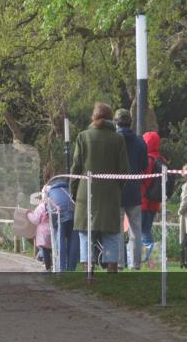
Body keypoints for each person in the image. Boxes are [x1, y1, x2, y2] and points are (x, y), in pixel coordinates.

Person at [70, 103, 130, 272]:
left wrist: (73, 192)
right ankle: (112, 273)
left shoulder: (82, 137)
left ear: (93, 117)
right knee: (111, 235)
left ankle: (89, 275)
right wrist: (116, 188)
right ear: (111, 118)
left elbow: (76, 168)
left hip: (85, 193)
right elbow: (124, 171)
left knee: (85, 236)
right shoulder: (118, 139)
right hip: (111, 195)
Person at [112, 110, 147, 270]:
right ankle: (136, 264)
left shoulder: (112, 140)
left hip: (116, 189)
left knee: (117, 229)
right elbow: (144, 166)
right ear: (130, 122)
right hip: (134, 189)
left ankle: (119, 262)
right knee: (136, 229)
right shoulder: (140, 141)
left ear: (116, 122)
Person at [140, 130, 169, 266]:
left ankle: (153, 260)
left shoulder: (147, 160)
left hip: (143, 201)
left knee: (143, 231)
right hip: (155, 202)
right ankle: (148, 259)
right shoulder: (162, 160)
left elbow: (141, 180)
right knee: (146, 229)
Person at [44, 178, 77, 271]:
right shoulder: (70, 189)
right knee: (73, 242)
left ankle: (61, 269)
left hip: (59, 216)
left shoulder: (50, 192)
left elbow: (47, 210)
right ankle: (71, 269)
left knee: (60, 240)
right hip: (73, 214)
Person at [27, 198, 54, 271]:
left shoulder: (41, 207)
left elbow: (35, 220)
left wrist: (29, 214)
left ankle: (47, 267)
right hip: (54, 231)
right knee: (54, 249)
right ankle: (54, 265)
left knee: (45, 250)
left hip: (43, 233)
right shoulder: (55, 204)